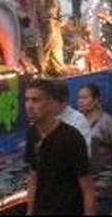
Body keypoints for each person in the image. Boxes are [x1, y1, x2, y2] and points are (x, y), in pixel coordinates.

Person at [24, 78, 96, 215]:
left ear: (51, 103)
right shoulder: (32, 134)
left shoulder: (71, 137)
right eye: (27, 100)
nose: (29, 106)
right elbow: (33, 176)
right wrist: (30, 211)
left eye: (36, 100)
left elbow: (87, 187)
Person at [78, 83, 112, 215]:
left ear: (95, 100)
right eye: (79, 98)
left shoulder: (107, 122)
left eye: (85, 98)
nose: (80, 101)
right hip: (82, 187)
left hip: (104, 186)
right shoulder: (77, 123)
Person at [51, 79, 92, 153]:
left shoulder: (78, 120)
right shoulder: (42, 118)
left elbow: (84, 153)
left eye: (51, 101)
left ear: (64, 101)